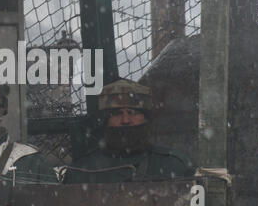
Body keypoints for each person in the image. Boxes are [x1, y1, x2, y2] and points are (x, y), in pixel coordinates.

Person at [63, 79, 195, 184]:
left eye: (133, 112)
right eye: (117, 113)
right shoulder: (82, 171)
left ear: (146, 119)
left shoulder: (174, 165)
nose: (125, 120)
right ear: (105, 120)